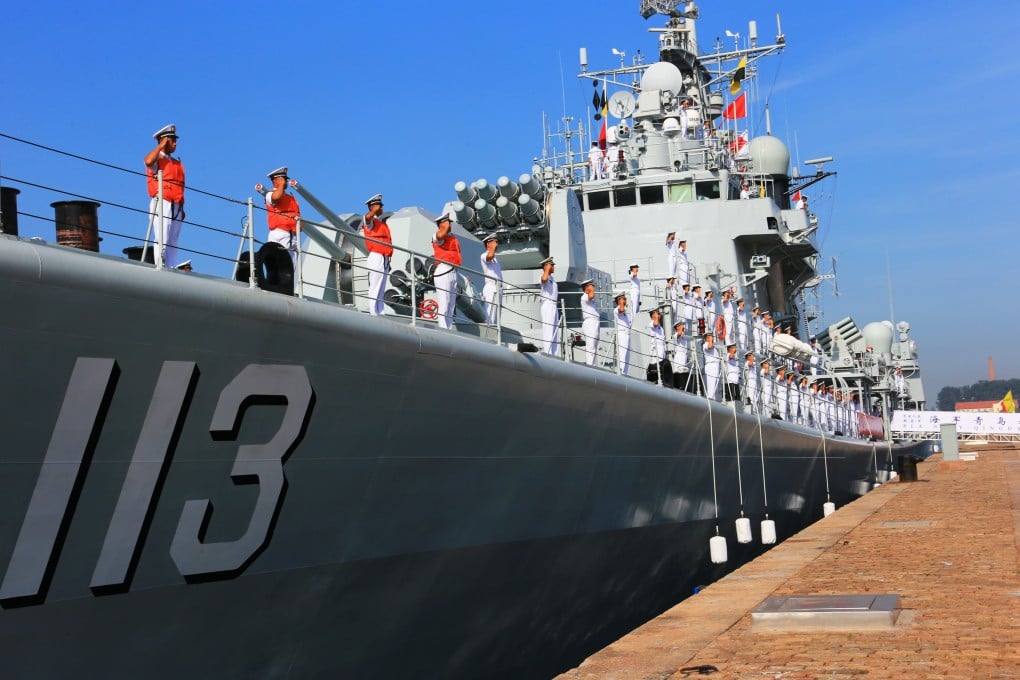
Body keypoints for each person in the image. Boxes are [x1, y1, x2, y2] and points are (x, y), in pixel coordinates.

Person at [144, 124, 185, 268]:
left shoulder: (175, 162)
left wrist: (181, 207)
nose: (175, 143)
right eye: (172, 140)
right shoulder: (157, 159)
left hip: (177, 205)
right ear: (164, 141)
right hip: (163, 202)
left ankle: (172, 266)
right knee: (162, 237)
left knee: (173, 241)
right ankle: (160, 265)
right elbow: (148, 161)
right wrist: (160, 146)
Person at [256, 166, 301, 269]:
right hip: (280, 233)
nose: (286, 182)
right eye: (283, 179)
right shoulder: (270, 194)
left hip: (293, 236)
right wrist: (280, 185)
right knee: (279, 263)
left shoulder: (290, 197)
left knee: (291, 267)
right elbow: (276, 198)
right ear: (276, 181)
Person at [362, 193, 393, 315]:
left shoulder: (383, 224)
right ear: (373, 207)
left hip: (385, 258)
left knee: (381, 286)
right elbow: (367, 218)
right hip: (376, 256)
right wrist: (373, 210)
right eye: (380, 206)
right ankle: (373, 311)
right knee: (375, 285)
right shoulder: (370, 222)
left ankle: (380, 310)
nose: (382, 208)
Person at [432, 212, 462, 330]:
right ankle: (443, 327)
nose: (450, 224)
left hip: (453, 271)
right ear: (442, 224)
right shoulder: (437, 236)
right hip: (443, 269)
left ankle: (448, 327)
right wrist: (444, 226)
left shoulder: (452, 237)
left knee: (451, 304)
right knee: (444, 302)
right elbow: (440, 236)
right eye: (448, 222)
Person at [479, 233, 503, 324]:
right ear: (488, 244)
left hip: (498, 288)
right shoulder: (484, 255)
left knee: (497, 318)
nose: (497, 243)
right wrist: (493, 247)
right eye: (494, 241)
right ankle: (489, 329)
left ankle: (495, 331)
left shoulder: (495, 259)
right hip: (491, 287)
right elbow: (489, 256)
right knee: (490, 314)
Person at [538, 256, 560, 355]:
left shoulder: (553, 279)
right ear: (547, 266)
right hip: (547, 305)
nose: (554, 267)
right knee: (548, 329)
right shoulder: (544, 277)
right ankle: (548, 352)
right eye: (552, 265)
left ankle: (554, 353)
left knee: (555, 331)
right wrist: (546, 269)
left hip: (554, 305)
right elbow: (544, 279)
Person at [646, 307, 672, 385]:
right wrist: (655, 316)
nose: (659, 315)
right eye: (658, 313)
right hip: (655, 358)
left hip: (661, 357)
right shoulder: (651, 324)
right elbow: (655, 323)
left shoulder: (661, 328)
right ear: (653, 315)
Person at [579, 278, 600, 366]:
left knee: (594, 346)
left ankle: (592, 365)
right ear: (587, 287)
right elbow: (591, 295)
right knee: (591, 346)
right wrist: (590, 289)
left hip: (595, 323)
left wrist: (591, 288)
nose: (593, 288)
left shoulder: (590, 299)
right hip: (590, 323)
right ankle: (590, 365)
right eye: (592, 286)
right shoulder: (584, 297)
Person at [612, 291, 631, 375]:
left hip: (627, 334)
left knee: (627, 357)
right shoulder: (616, 310)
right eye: (624, 299)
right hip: (622, 334)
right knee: (622, 355)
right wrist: (622, 303)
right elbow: (621, 309)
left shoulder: (625, 313)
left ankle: (625, 373)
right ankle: (622, 372)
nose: (626, 300)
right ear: (619, 300)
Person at [701, 331, 723, 401]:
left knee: (715, 384)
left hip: (715, 366)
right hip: (711, 366)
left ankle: (714, 398)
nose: (712, 338)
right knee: (711, 383)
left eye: (712, 336)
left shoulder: (713, 345)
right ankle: (711, 398)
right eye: (710, 337)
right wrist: (710, 340)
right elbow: (709, 347)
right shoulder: (705, 344)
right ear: (706, 338)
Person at [671, 320, 692, 391]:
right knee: (679, 375)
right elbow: (679, 334)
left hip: (683, 358)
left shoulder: (683, 336)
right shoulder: (675, 335)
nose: (683, 326)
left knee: (683, 376)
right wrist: (681, 329)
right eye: (681, 325)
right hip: (679, 358)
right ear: (677, 327)